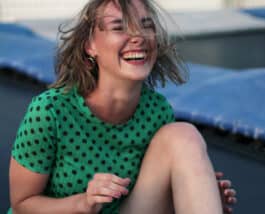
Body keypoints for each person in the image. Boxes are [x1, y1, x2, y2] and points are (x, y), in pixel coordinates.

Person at [9, 0, 237, 213]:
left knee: (183, 135)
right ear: (90, 45)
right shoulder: (50, 110)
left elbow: (152, 202)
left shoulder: (156, 112)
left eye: (146, 26)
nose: (138, 37)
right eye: (119, 27)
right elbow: (22, 204)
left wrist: (196, 195)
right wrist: (83, 203)